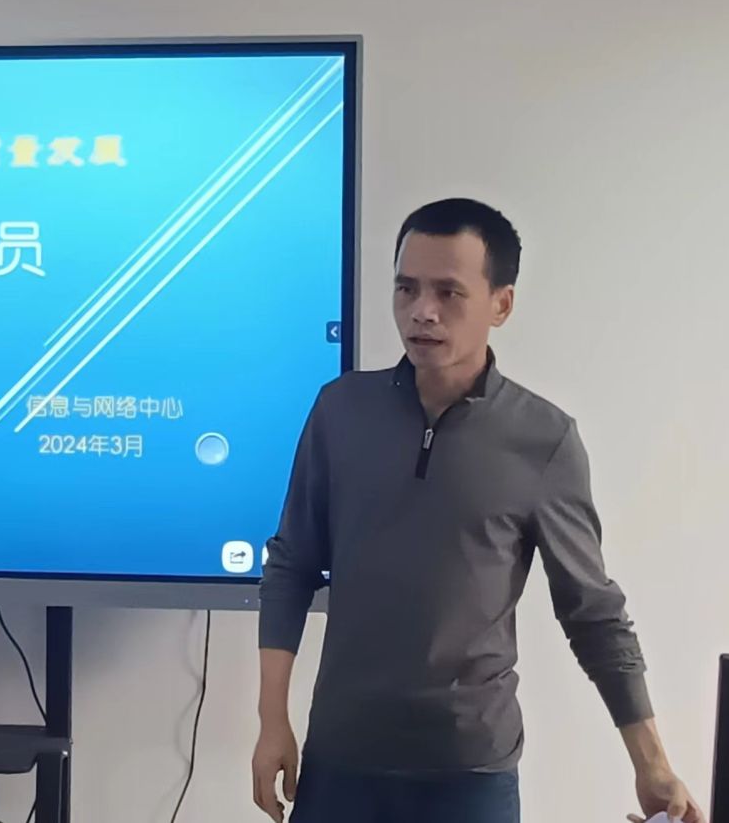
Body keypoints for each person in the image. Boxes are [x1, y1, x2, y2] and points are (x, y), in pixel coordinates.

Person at [251, 198, 706, 823]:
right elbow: (291, 567)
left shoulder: (543, 439)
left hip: (469, 776)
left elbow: (593, 613)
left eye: (448, 292)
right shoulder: (341, 411)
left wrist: (651, 763)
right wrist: (271, 720)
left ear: (501, 304)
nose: (422, 310)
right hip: (341, 763)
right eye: (406, 288)